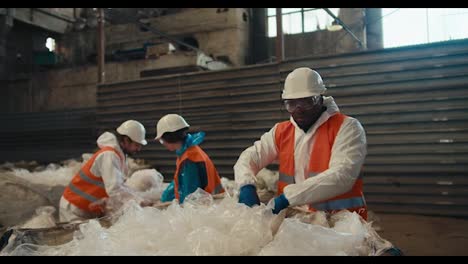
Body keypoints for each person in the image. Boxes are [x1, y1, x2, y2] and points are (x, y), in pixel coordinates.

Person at [234, 67, 369, 220]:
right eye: (292, 104)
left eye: (306, 102)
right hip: (294, 219)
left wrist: (287, 198)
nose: (299, 111)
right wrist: (246, 185)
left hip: (341, 223)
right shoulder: (281, 131)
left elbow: (341, 176)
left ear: (319, 97)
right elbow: (250, 156)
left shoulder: (347, 128)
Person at [59, 120, 148, 222]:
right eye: (137, 145)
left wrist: (139, 198)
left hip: (83, 207)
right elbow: (115, 189)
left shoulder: (117, 155)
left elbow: (120, 186)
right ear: (126, 140)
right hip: (74, 208)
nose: (139, 149)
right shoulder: (109, 155)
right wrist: (139, 201)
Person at [155, 114, 224, 204]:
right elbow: (178, 183)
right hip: (213, 203)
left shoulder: (189, 159)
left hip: (208, 207)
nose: (163, 143)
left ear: (168, 137)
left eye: (161, 140)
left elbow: (190, 197)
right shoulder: (187, 152)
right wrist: (164, 198)